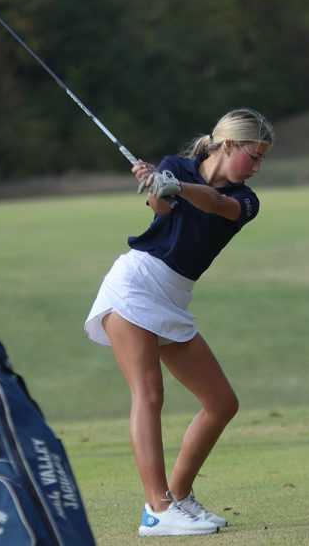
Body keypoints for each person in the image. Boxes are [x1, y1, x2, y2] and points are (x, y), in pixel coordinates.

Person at [84, 107, 275, 537]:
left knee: (222, 402)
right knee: (149, 392)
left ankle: (180, 496)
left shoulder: (246, 199)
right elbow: (160, 209)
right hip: (135, 284)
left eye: (263, 158)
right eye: (254, 155)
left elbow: (215, 204)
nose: (259, 167)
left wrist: (178, 186)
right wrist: (154, 183)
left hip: (173, 298)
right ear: (228, 145)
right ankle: (156, 509)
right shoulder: (175, 166)